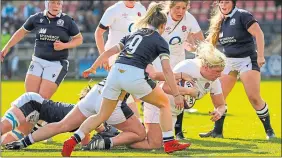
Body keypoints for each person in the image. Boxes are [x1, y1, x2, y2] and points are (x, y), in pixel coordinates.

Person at [61, 3, 190, 157]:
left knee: (101, 116)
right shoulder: (160, 41)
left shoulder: (133, 34)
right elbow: (167, 70)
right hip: (133, 74)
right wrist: (176, 94)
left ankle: (73, 140)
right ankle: (169, 142)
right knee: (164, 104)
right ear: (162, 25)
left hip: (115, 73)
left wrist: (94, 67)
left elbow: (110, 51)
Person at [124, 41, 227, 149]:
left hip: (172, 113)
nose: (219, 75)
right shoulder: (188, 66)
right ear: (206, 67)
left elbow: (221, 105)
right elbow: (166, 87)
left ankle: (125, 137)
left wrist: (218, 112)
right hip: (158, 105)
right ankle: (115, 140)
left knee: (157, 143)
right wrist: (188, 91)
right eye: (217, 71)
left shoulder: (214, 81)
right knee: (154, 144)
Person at [199, 0, 275, 140]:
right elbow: (209, 43)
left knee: (254, 97)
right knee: (218, 96)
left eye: (227, 2)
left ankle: (269, 131)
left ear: (233, 3)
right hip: (228, 61)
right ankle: (217, 132)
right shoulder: (219, 21)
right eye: (221, 2)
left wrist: (261, 56)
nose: (223, 5)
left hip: (247, 59)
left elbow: (259, 34)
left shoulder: (243, 15)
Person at [4, 79, 146, 150]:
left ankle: (22, 143)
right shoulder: (86, 114)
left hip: (39, 117)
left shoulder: (84, 113)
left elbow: (85, 140)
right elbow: (100, 130)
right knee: (3, 127)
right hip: (34, 104)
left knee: (6, 143)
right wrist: (113, 137)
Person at [143, 0, 205, 141]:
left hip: (178, 60)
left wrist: (200, 51)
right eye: (177, 7)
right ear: (170, 7)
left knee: (179, 91)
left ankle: (177, 130)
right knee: (158, 93)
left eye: (184, 8)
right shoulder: (160, 17)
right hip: (158, 59)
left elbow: (201, 40)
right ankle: (153, 128)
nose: (180, 11)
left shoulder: (189, 18)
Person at [95, 0, 146, 121]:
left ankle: (107, 118)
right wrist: (104, 56)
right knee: (122, 89)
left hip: (135, 56)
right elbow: (98, 33)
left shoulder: (141, 9)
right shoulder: (114, 10)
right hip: (115, 55)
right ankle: (136, 121)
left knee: (129, 91)